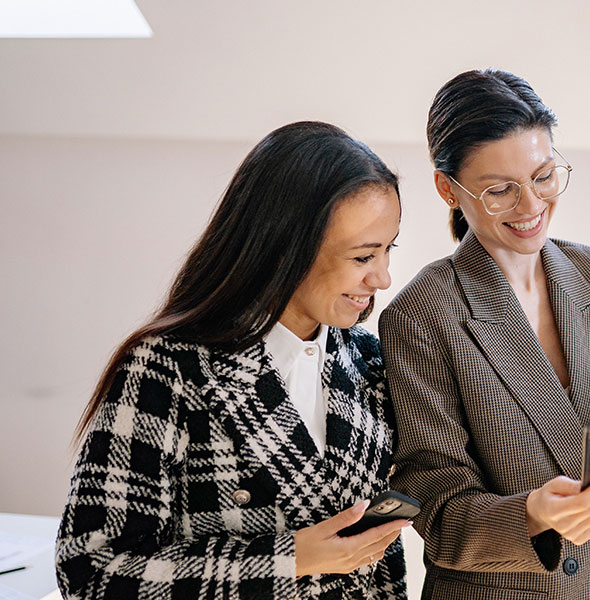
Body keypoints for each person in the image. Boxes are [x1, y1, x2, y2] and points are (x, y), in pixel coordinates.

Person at [56, 121, 409, 599]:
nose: (383, 278)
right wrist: (290, 559)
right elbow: (91, 571)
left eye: (389, 250)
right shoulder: (166, 367)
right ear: (286, 247)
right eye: (364, 257)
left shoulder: (369, 362)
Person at [380, 68, 590, 600]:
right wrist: (531, 513)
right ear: (447, 189)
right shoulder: (423, 314)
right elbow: (435, 509)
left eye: (544, 176)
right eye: (500, 190)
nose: (530, 207)